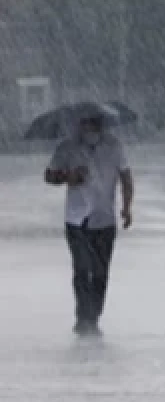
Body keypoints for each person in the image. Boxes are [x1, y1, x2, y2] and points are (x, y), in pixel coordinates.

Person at [44, 111, 133, 337]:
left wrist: (127, 207)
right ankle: (83, 317)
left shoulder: (114, 147)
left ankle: (94, 315)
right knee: (82, 269)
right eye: (85, 122)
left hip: (104, 218)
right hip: (76, 218)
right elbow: (49, 175)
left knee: (101, 272)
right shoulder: (67, 147)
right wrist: (67, 176)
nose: (89, 127)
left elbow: (126, 176)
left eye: (93, 122)